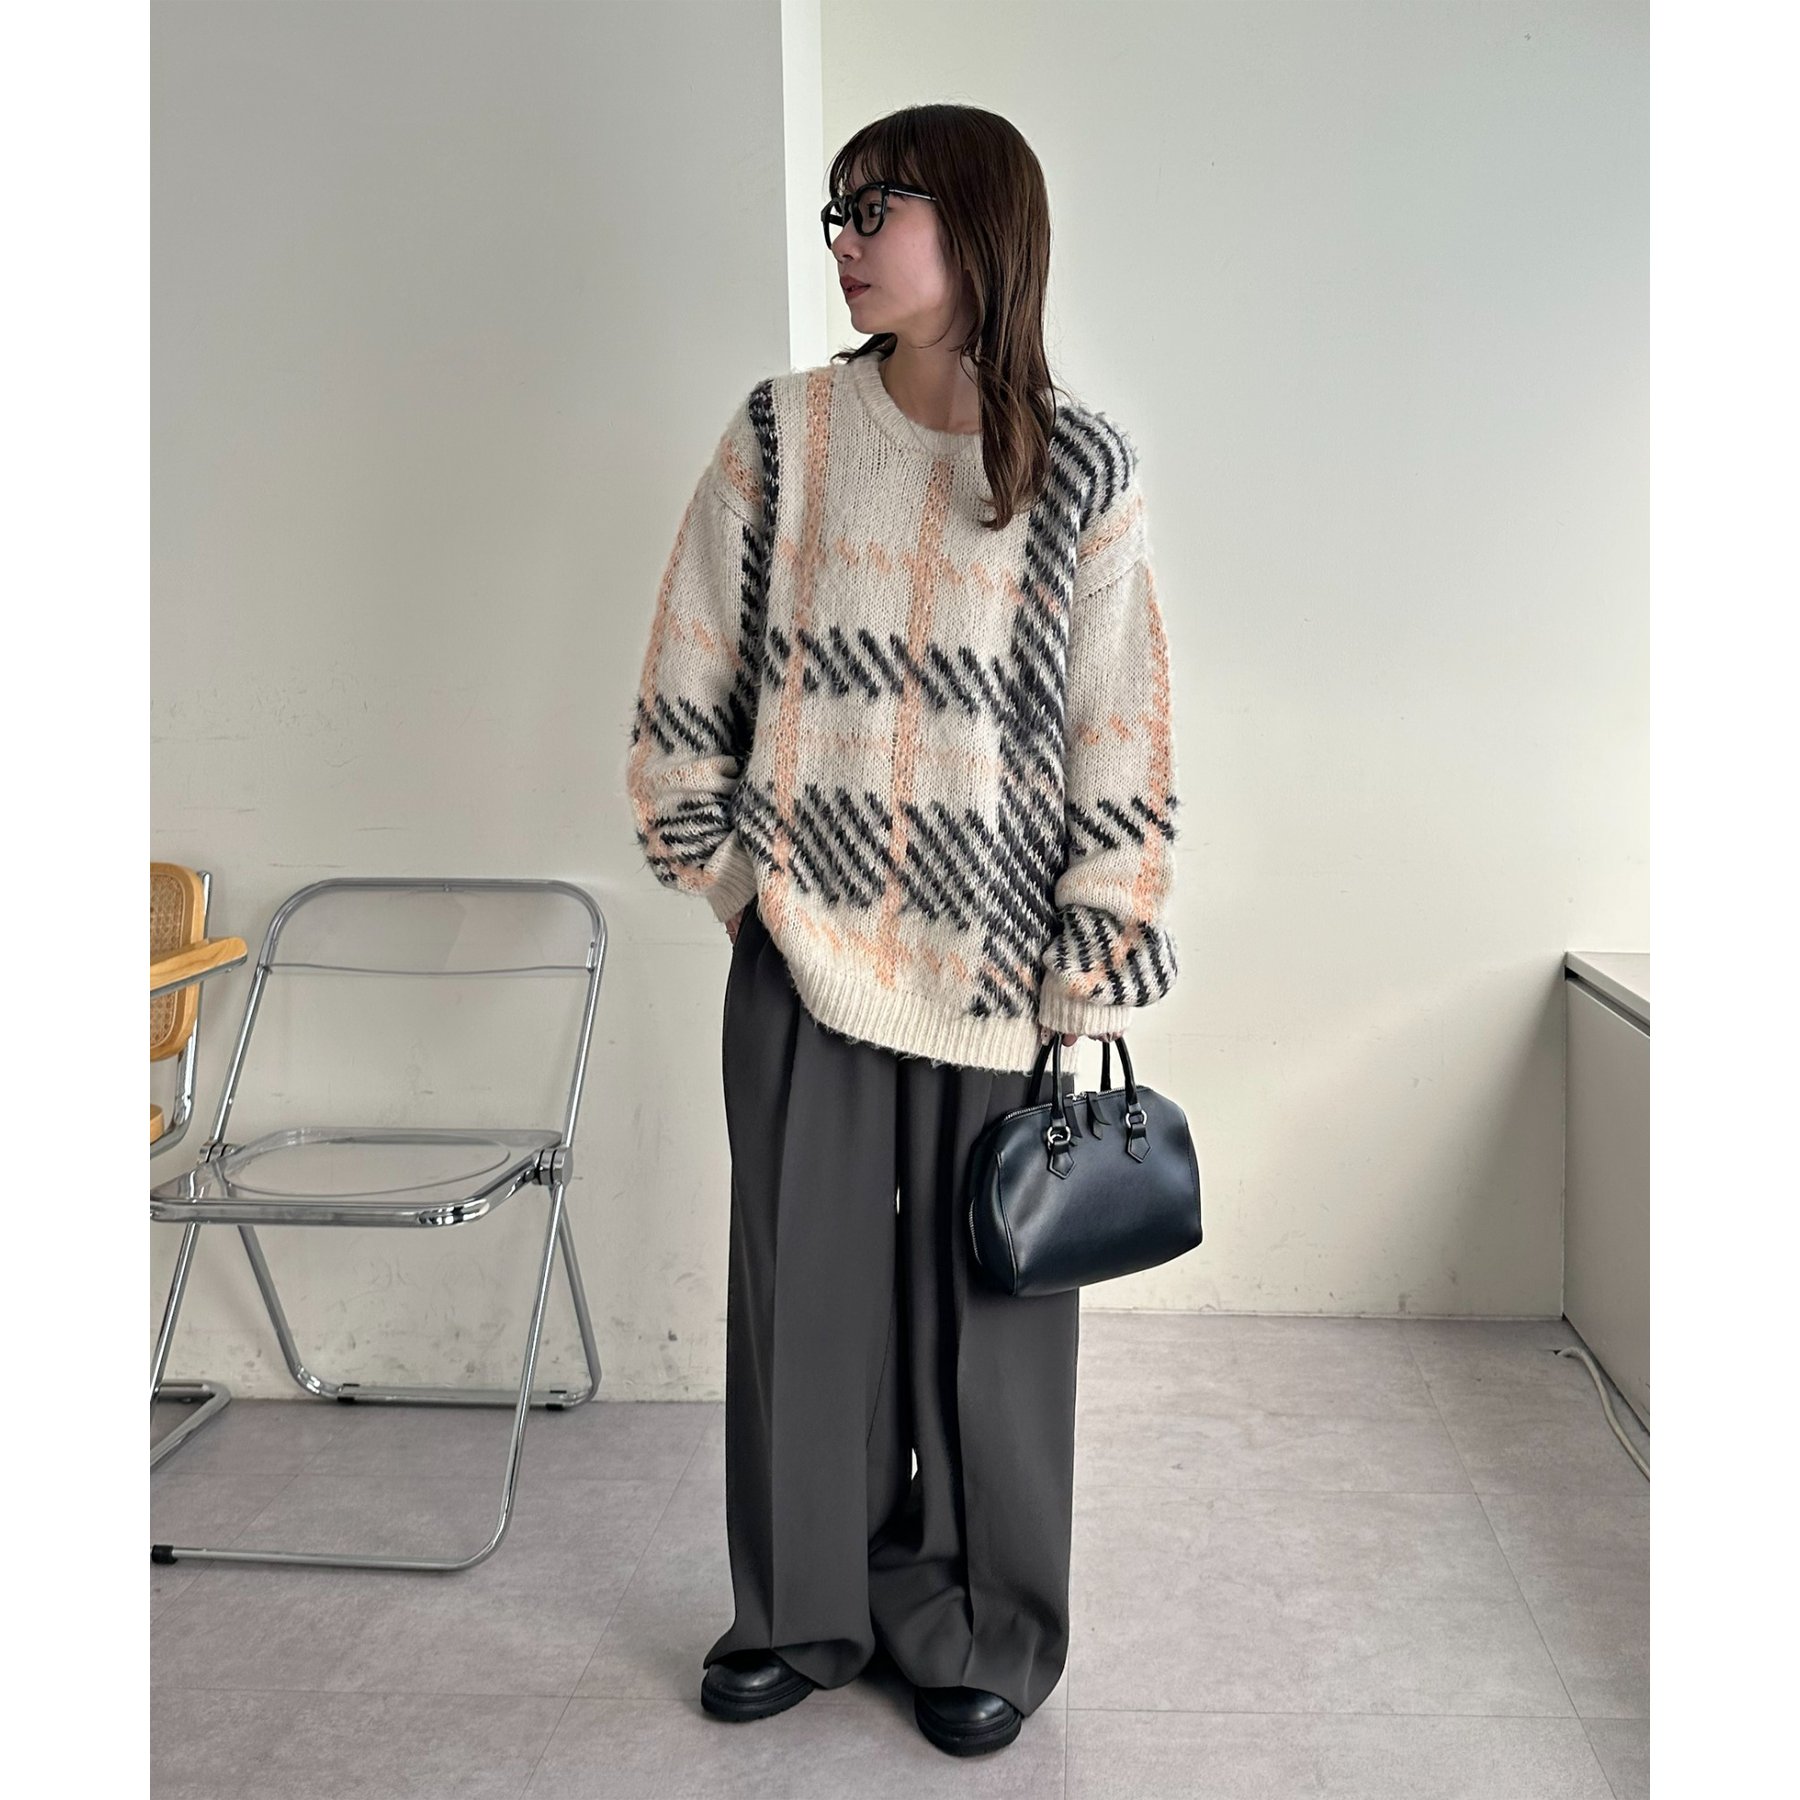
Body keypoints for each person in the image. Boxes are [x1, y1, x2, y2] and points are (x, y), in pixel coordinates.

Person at [623, 102, 1180, 1758]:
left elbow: (1118, 731)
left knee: (990, 1331)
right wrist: (745, 896)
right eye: (836, 210)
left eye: (880, 206)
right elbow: (682, 691)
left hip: (999, 979)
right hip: (804, 962)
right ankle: (800, 1612)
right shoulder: (783, 436)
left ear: (982, 222)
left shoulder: (1080, 470)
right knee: (805, 1311)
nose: (845, 239)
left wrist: (1093, 947)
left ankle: (982, 1627)